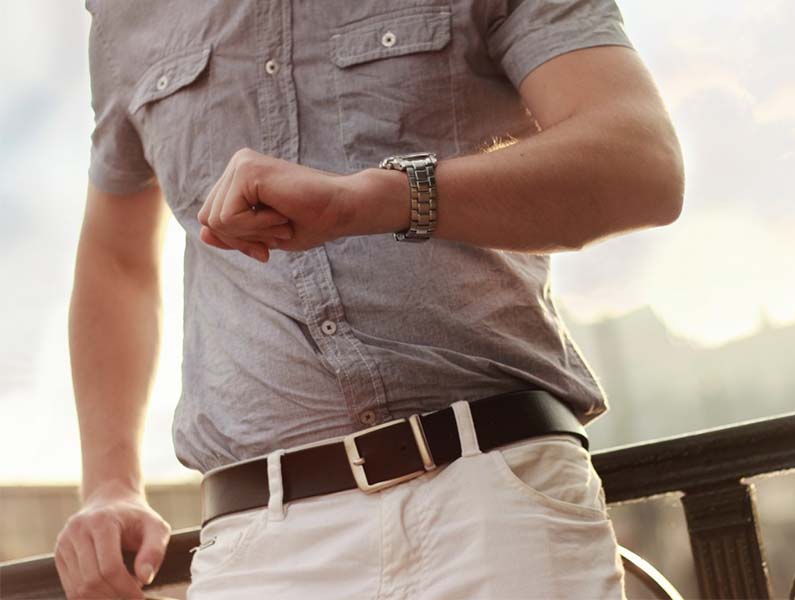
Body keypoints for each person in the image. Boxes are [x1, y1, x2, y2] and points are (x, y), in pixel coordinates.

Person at [55, 0, 683, 598]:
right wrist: (110, 485)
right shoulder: (123, 16)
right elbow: (117, 258)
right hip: (259, 550)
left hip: (495, 507)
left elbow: (640, 161)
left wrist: (373, 200)